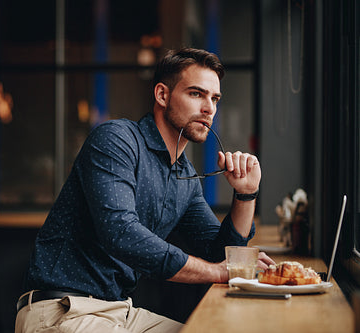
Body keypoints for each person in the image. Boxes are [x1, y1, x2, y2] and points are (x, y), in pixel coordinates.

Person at [15, 47, 275, 333]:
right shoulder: (117, 140)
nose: (209, 108)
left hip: (119, 311)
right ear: (162, 95)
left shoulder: (184, 176)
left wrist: (246, 194)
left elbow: (221, 255)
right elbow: (120, 233)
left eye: (214, 99)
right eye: (196, 94)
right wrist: (217, 272)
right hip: (62, 311)